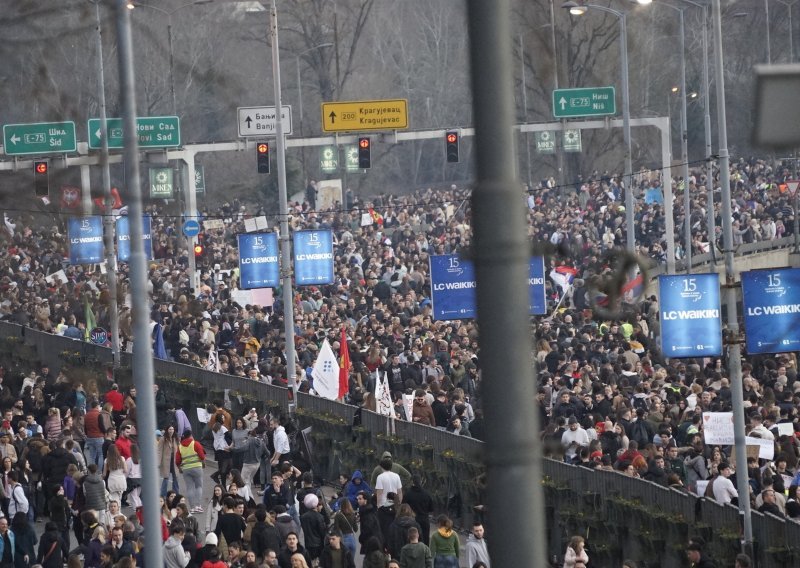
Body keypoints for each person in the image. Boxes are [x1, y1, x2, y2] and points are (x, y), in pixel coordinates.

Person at [176, 429, 206, 513]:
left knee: (189, 488)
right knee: (198, 486)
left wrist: (180, 468)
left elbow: (177, 460)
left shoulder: (180, 446)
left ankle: (192, 508)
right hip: (197, 467)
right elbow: (202, 456)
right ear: (191, 435)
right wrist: (203, 464)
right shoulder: (195, 443)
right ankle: (198, 506)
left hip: (186, 469)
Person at [158, 425, 180, 496]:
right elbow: (159, 451)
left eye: (172, 429)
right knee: (166, 479)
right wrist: (158, 462)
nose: (171, 431)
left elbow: (179, 450)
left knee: (175, 478)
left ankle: (176, 495)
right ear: (167, 430)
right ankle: (163, 495)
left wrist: (181, 461)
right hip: (166, 461)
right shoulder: (163, 439)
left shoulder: (176, 438)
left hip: (174, 461)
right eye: (170, 429)